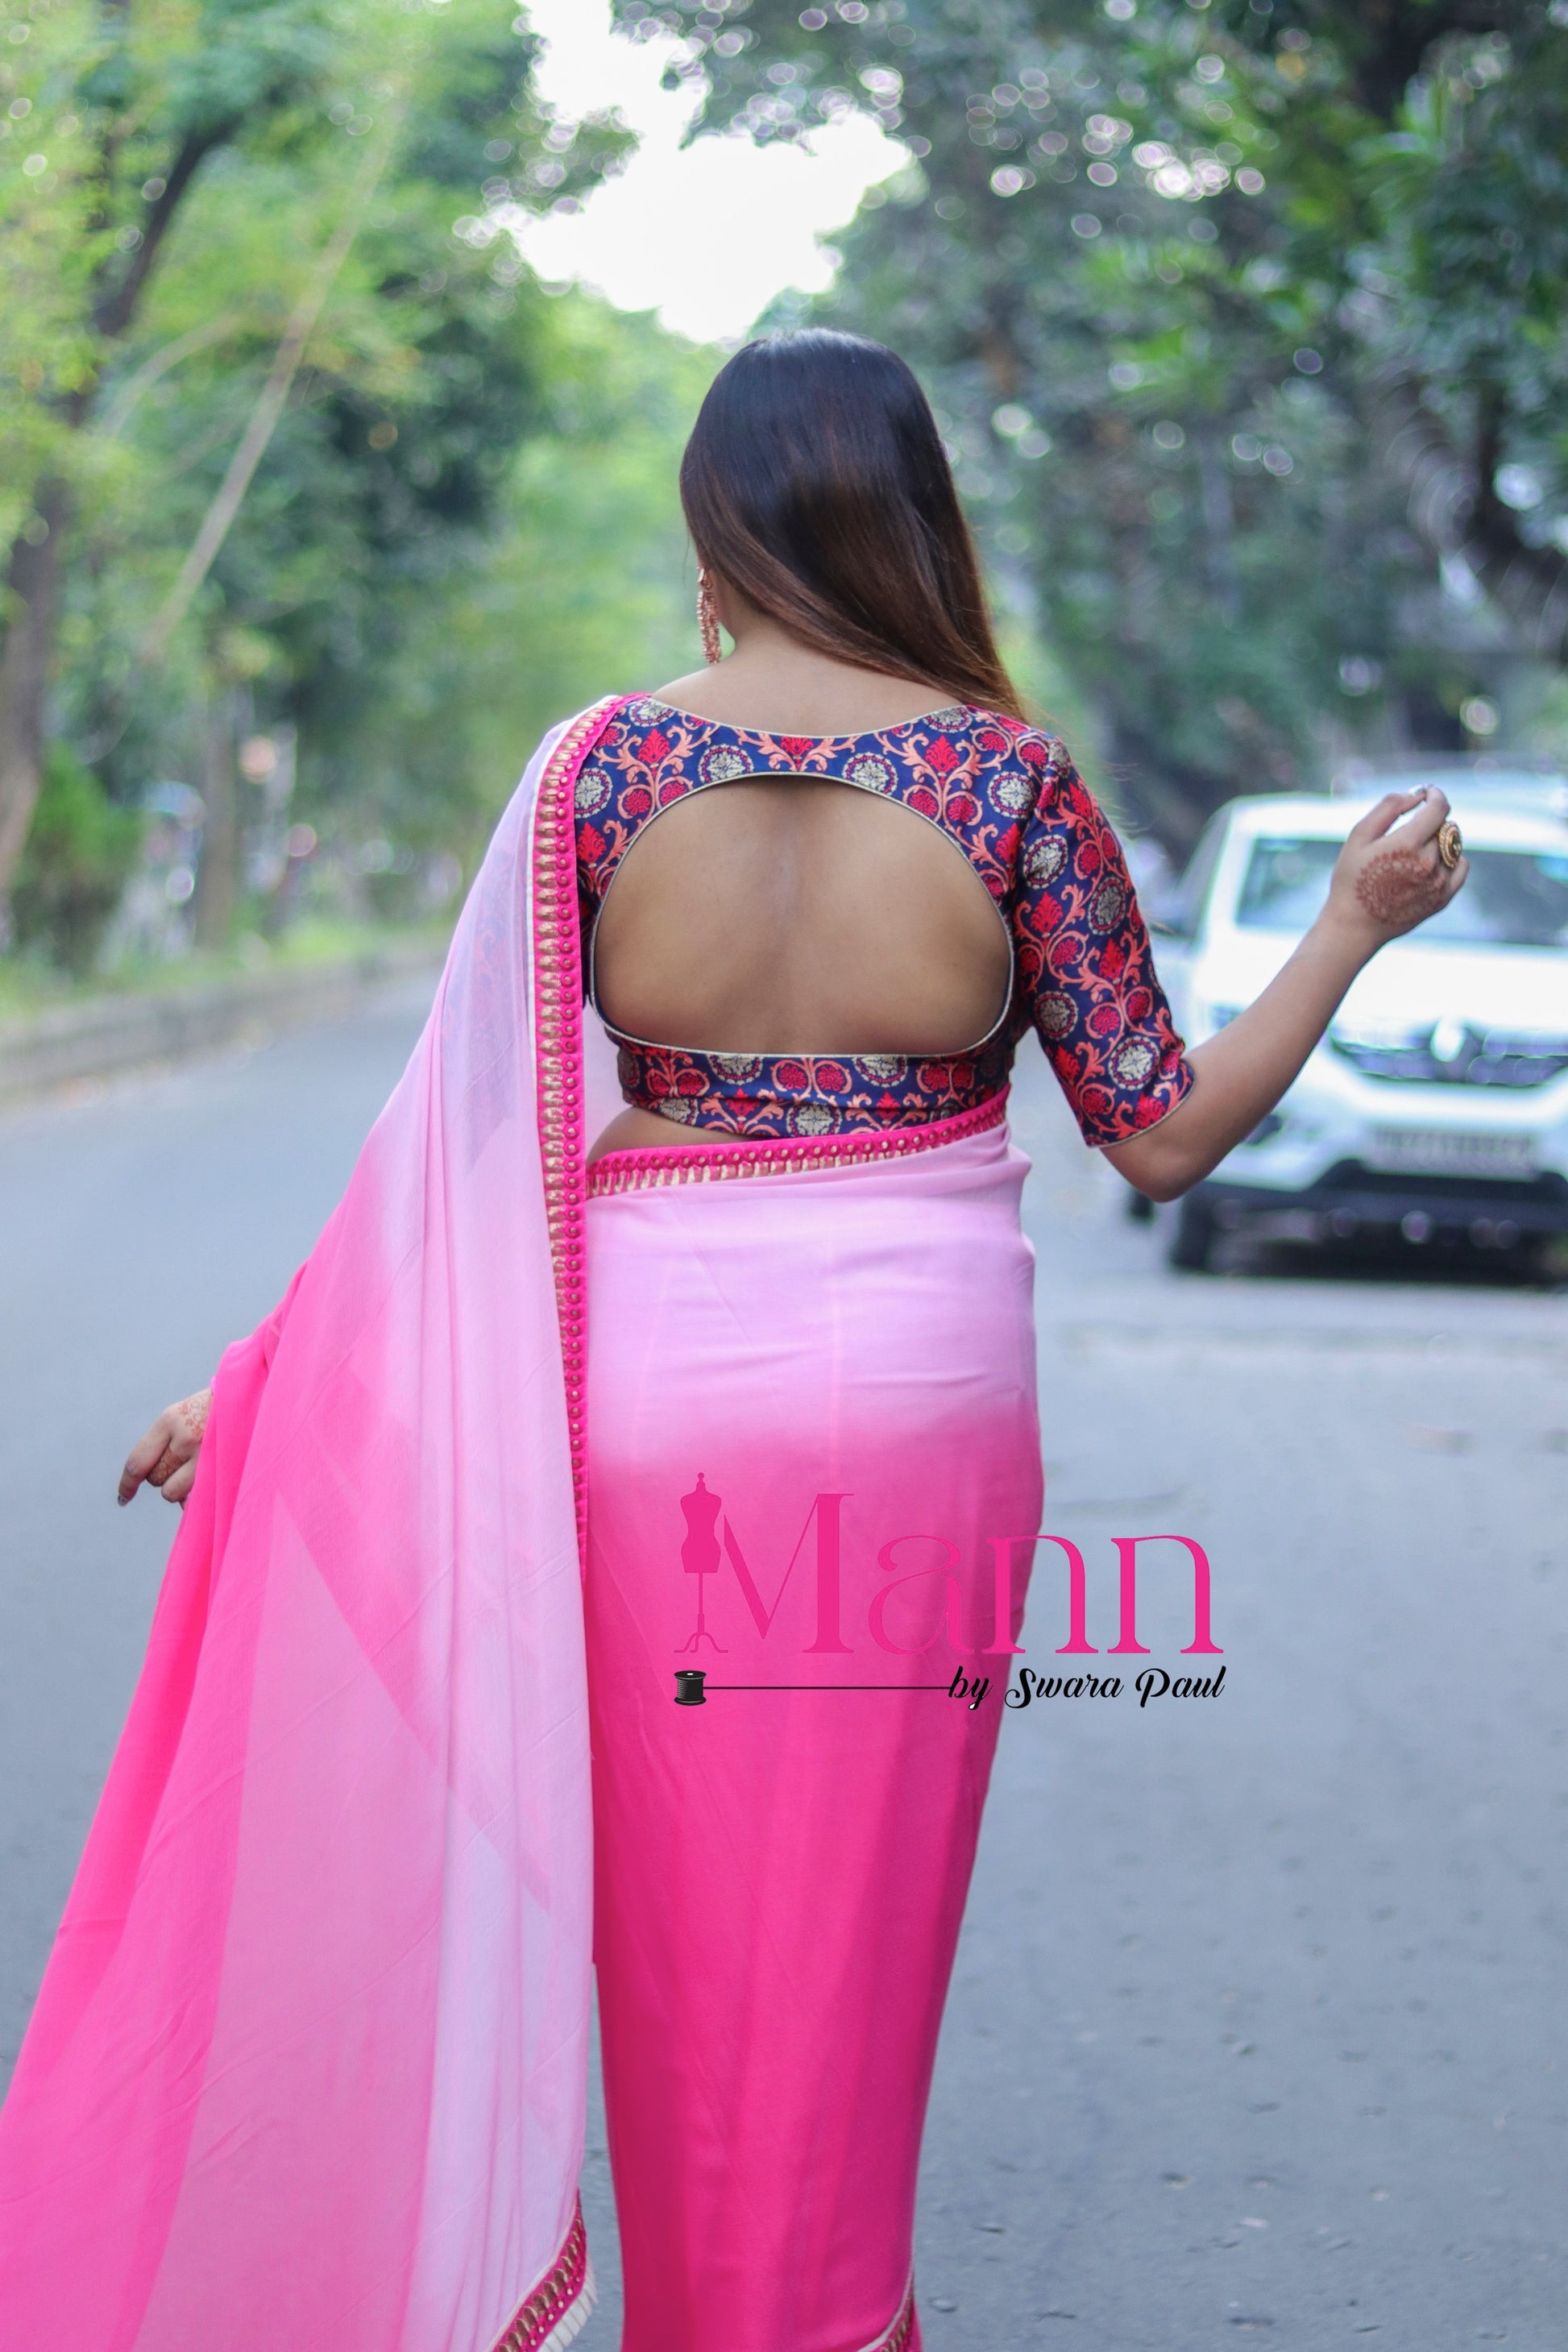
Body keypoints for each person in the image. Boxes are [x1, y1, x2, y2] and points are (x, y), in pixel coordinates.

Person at [0, 333, 1466, 2352]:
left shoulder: (602, 769)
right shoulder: (1003, 774)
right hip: (921, 1415)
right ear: (915, 519)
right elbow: (1165, 1130)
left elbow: (451, 1148)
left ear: (718, 526)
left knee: (679, 1945)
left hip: (650, 1396)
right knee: (848, 1958)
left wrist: (255, 1391)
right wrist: (1350, 926)